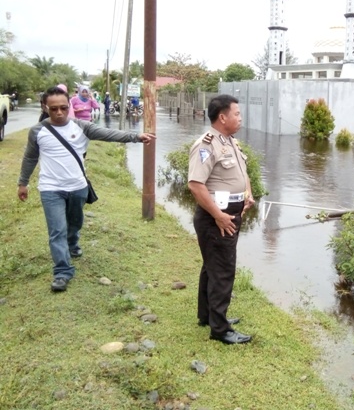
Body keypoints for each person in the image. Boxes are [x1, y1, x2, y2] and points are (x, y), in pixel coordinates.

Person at [18, 86, 156, 292]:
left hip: (77, 187)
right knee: (57, 230)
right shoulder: (38, 131)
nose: (59, 113)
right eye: (53, 108)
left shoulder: (81, 127)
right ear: (45, 107)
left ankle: (72, 243)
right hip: (50, 189)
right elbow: (30, 157)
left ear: (69, 106)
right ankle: (62, 272)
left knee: (74, 223)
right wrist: (23, 183)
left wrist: (136, 137)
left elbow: (109, 134)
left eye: (63, 108)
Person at [187, 94, 255, 345]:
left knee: (212, 267)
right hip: (215, 219)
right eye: (236, 114)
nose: (240, 118)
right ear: (222, 117)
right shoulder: (206, 144)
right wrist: (218, 216)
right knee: (223, 270)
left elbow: (241, 172)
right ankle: (220, 328)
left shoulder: (230, 142)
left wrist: (247, 193)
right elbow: (195, 185)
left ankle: (207, 315)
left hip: (229, 214)